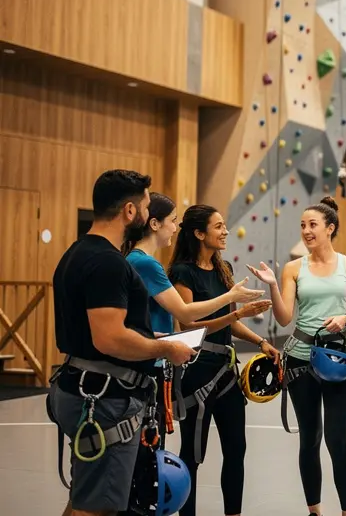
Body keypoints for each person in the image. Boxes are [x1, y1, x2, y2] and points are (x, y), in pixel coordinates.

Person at [49, 169, 195, 516]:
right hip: (104, 397)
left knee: (86, 496)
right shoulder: (107, 263)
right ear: (129, 211)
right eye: (144, 206)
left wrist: (152, 338)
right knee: (97, 507)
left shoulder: (77, 253)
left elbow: (102, 330)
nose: (146, 213)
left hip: (85, 386)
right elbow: (110, 338)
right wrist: (165, 348)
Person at [248, 196, 346, 516]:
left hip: (339, 359)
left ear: (330, 228)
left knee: (337, 440)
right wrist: (273, 286)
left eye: (313, 224)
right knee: (310, 439)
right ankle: (314, 511)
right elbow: (285, 318)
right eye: (302, 225)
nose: (306, 231)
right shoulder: (293, 269)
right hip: (301, 361)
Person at [122, 192, 264, 443]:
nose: (175, 227)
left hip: (161, 362)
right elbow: (186, 315)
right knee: (159, 449)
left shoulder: (141, 261)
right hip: (154, 365)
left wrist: (259, 341)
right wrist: (233, 301)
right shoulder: (148, 265)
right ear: (154, 224)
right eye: (172, 221)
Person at [169, 205, 276, 516]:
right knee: (192, 454)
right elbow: (188, 326)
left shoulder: (222, 267)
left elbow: (230, 323)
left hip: (226, 372)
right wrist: (237, 313)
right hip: (196, 372)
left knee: (236, 449)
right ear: (199, 234)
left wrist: (261, 342)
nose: (225, 231)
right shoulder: (183, 272)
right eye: (218, 226)